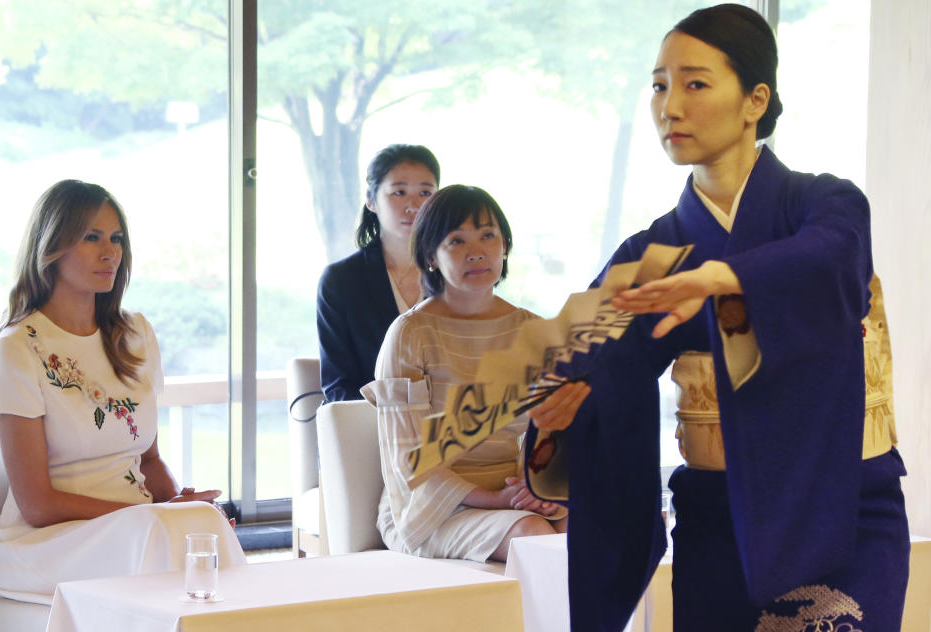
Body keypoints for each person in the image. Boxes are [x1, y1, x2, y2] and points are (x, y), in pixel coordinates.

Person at [533, 5, 909, 631]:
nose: (668, 106)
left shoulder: (824, 203)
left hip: (841, 506)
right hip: (719, 516)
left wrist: (729, 278)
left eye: (695, 83)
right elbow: (583, 356)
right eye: (658, 85)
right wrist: (561, 412)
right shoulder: (650, 254)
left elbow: (833, 256)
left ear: (755, 99)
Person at [0, 180, 245, 605]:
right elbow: (37, 505)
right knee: (156, 530)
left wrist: (179, 506)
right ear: (52, 245)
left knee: (203, 522)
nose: (110, 252)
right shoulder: (18, 347)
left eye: (116, 238)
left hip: (135, 530)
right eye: (91, 237)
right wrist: (151, 515)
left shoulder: (135, 334)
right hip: (47, 543)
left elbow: (149, 460)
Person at [362, 185, 590, 563]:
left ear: (505, 246)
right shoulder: (409, 335)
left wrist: (543, 489)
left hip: (517, 493)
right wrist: (495, 500)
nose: (477, 251)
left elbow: (557, 434)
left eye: (488, 236)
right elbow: (410, 459)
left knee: (590, 523)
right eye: (457, 241)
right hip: (434, 509)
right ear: (430, 256)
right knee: (530, 533)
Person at [317, 144, 440, 402]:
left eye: (425, 192)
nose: (413, 205)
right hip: (370, 429)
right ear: (371, 201)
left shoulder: (454, 274)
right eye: (399, 192)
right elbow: (338, 384)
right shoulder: (341, 281)